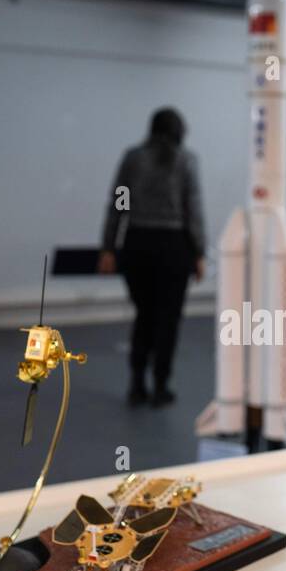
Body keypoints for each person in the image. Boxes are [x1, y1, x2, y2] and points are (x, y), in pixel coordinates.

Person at [98, 108, 205, 407]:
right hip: (174, 246)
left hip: (137, 243)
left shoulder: (132, 158)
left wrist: (108, 247)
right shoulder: (187, 160)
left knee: (144, 316)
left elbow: (117, 203)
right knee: (168, 321)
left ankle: (136, 384)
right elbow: (192, 209)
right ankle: (161, 386)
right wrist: (199, 252)